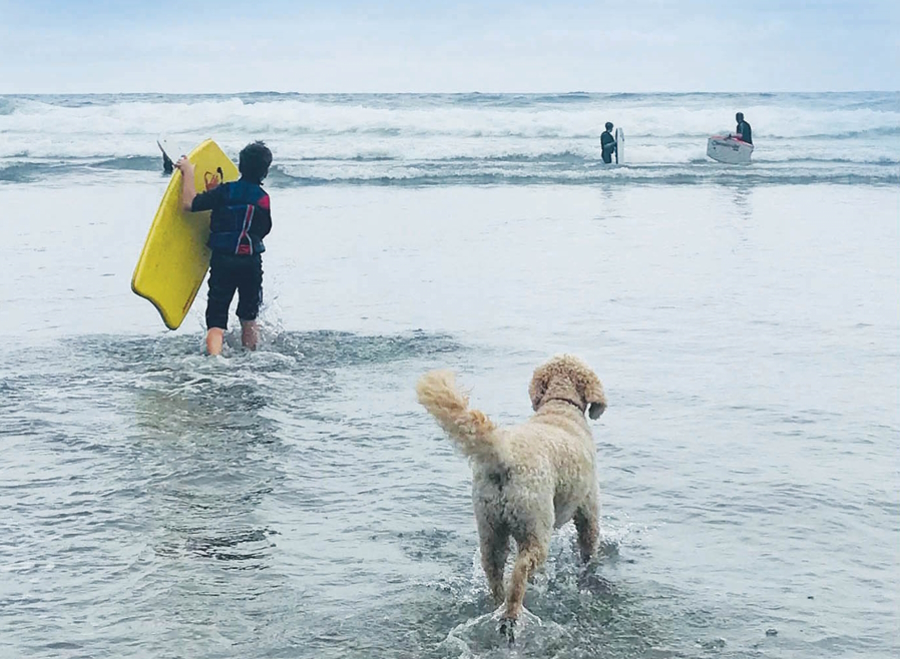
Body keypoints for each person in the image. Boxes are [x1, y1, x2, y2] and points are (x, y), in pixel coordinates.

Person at [175, 141, 273, 356]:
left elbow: (189, 203)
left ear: (240, 166)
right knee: (249, 319)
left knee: (216, 322)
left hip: (223, 261)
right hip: (251, 263)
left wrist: (188, 171)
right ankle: (251, 359)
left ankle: (215, 363)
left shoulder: (224, 192)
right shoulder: (263, 199)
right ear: (265, 171)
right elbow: (263, 230)